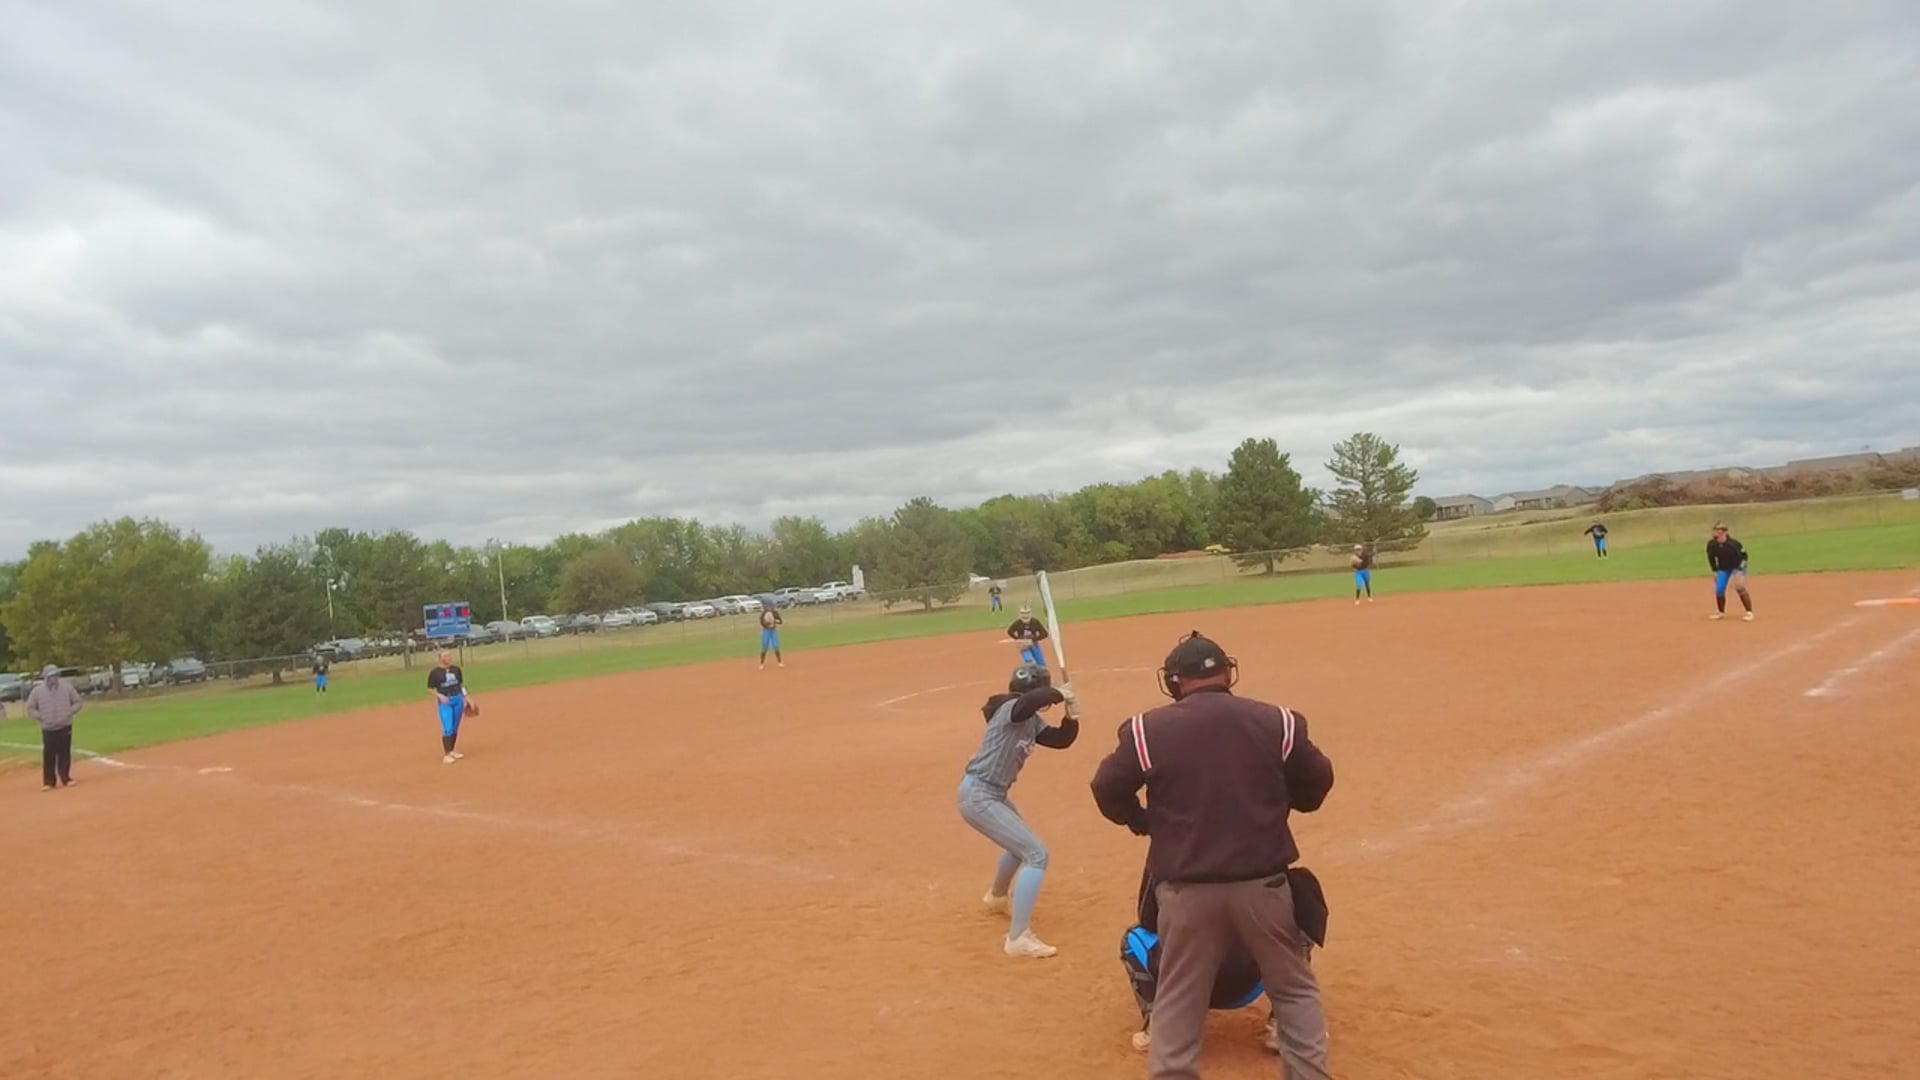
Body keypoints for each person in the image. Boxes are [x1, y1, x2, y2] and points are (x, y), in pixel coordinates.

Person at [1090, 631, 1336, 1080]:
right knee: (1294, 993)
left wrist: (1143, 821)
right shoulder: (1279, 721)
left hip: (1185, 894)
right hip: (1264, 887)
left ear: (1174, 681)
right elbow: (1317, 782)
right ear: (1228, 673)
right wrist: (1280, 804)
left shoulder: (1146, 729)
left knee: (1178, 1001)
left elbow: (1106, 788)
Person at [957, 663, 1080, 958]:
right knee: (1036, 854)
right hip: (979, 795)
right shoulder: (1010, 708)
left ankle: (997, 897)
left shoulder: (1030, 719)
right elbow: (1026, 702)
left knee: (1018, 847)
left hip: (993, 794)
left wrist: (1071, 716)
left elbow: (1060, 740)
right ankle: (1018, 938)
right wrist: (1059, 693)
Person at [1121, 858, 1279, 1055]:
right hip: (1247, 981)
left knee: (1132, 939)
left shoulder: (1166, 845)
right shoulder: (1262, 845)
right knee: (1297, 918)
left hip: (1185, 987)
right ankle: (1285, 1024)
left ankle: (1162, 1026)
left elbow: (1148, 919)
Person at [25, 665, 84, 791]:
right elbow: (30, 708)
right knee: (49, 754)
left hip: (64, 725)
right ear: (46, 677)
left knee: (64, 752)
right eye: (51, 676)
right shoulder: (37, 691)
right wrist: (40, 717)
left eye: (56, 675)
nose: (54, 678)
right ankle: (49, 782)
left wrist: (69, 712)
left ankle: (66, 778)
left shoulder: (67, 688)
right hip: (48, 727)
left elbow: (78, 702)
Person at [426, 650, 476, 763]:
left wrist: (467, 697)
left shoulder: (456, 670)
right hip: (445, 701)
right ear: (440, 658)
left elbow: (461, 685)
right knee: (447, 727)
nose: (449, 658)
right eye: (446, 656)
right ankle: (446, 755)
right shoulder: (434, 673)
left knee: (454, 727)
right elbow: (429, 689)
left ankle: (452, 750)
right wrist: (439, 696)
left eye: (449, 655)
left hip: (458, 699)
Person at [1707, 522, 1755, 621]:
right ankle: (1721, 612)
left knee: (1739, 586)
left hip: (1737, 567)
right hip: (1723, 568)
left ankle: (1749, 612)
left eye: (1718, 530)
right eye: (1715, 530)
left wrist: (1741, 568)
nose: (1716, 532)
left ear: (1724, 532)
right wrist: (1715, 571)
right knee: (1719, 589)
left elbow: (1744, 556)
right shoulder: (1712, 545)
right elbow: (1711, 558)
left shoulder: (1733, 544)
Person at [758, 605, 785, 669]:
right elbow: (762, 623)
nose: (768, 608)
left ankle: (780, 662)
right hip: (766, 631)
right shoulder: (763, 614)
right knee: (764, 647)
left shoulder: (774, 613)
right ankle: (761, 664)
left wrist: (775, 621)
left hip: (773, 631)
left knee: (776, 646)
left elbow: (780, 621)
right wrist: (767, 624)